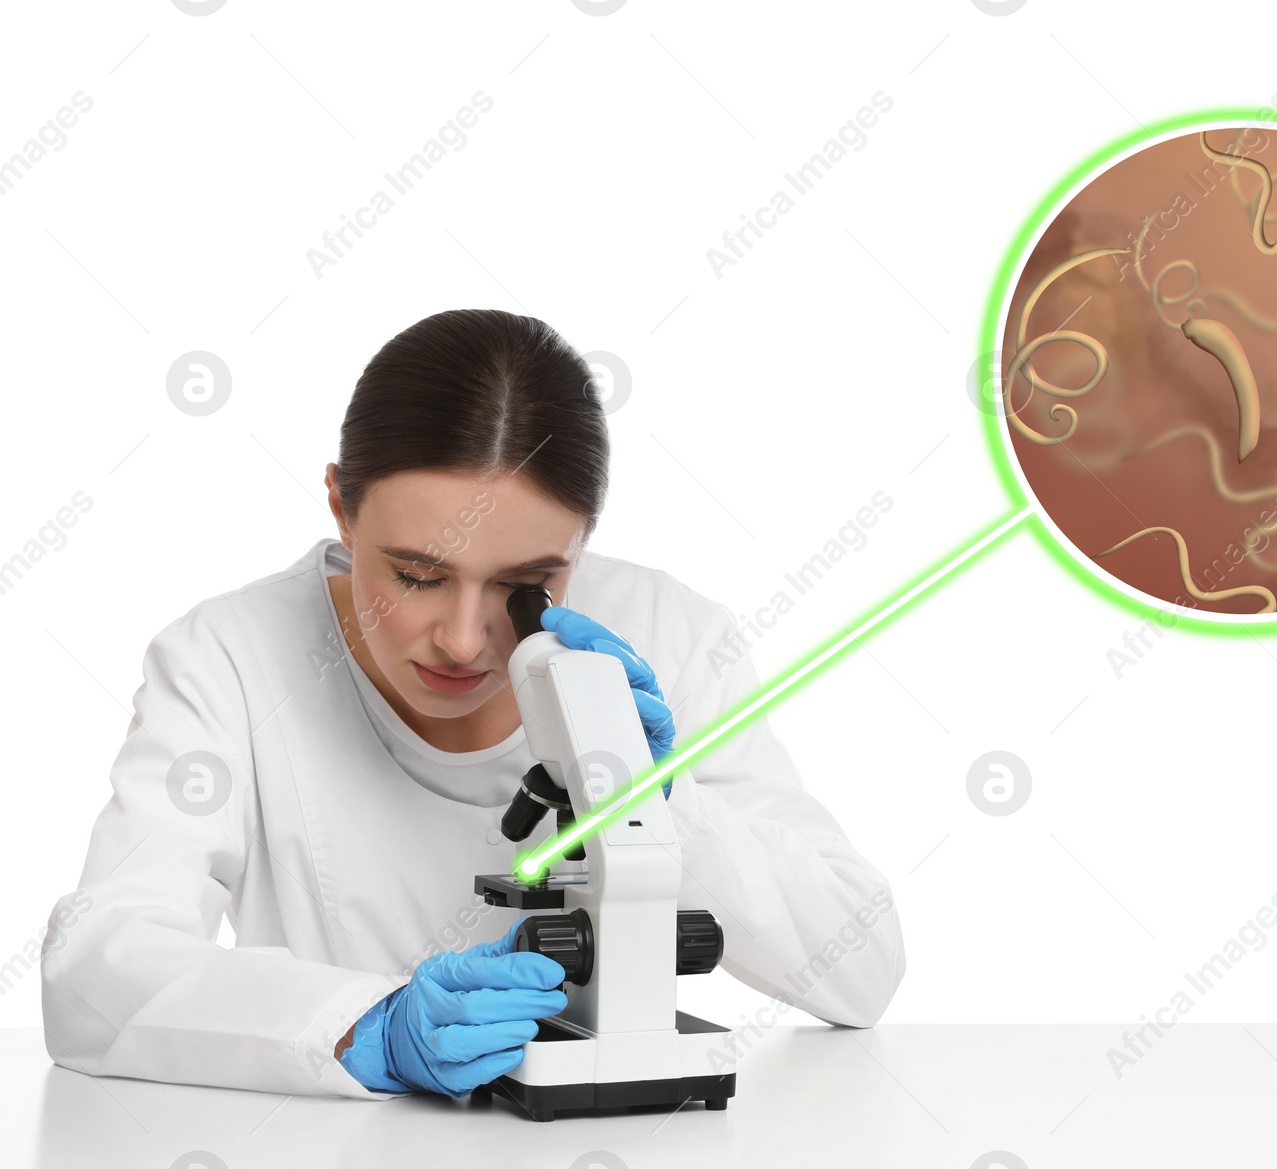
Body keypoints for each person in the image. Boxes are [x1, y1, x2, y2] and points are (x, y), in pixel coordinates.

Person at [39, 308, 905, 1099]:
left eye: (526, 586)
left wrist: (660, 798)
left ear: (584, 542)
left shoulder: (668, 633)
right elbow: (93, 970)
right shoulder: (229, 659)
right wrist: (361, 1025)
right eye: (417, 574)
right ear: (341, 506)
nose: (461, 639)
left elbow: (861, 967)